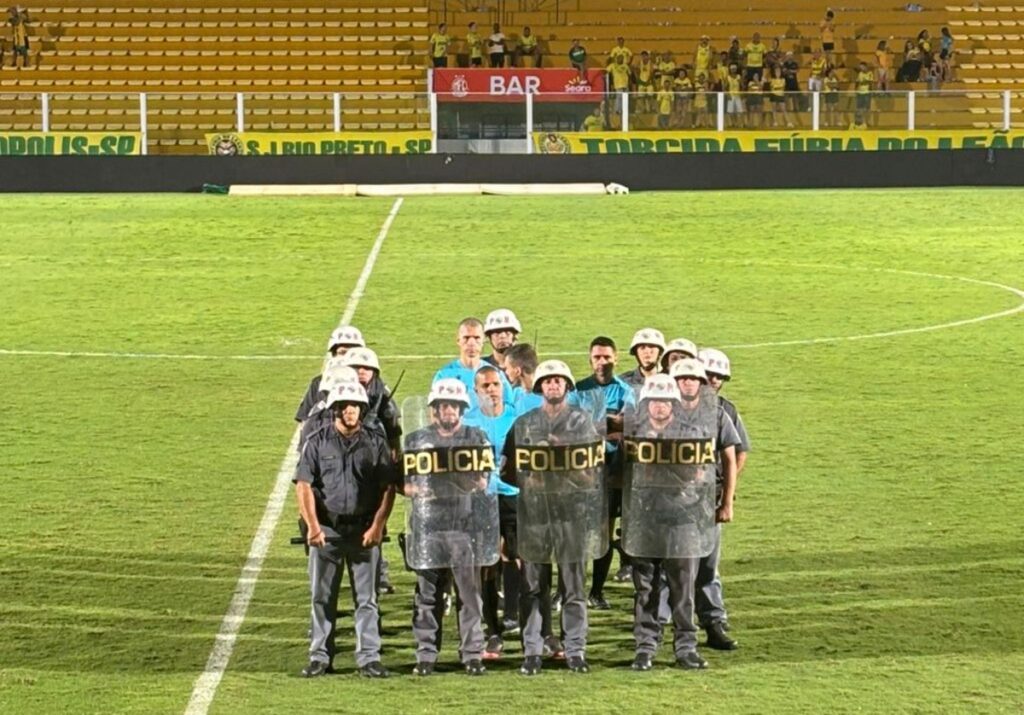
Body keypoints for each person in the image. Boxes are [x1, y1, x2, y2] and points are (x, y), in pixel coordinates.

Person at [626, 362, 739, 671]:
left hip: (683, 519)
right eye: (654, 400)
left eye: (665, 400)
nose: (659, 406)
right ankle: (645, 647)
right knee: (646, 589)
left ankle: (686, 647)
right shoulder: (633, 435)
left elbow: (696, 475)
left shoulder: (694, 433)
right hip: (645, 521)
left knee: (683, 588)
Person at [503, 360, 606, 675]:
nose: (553, 385)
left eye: (558, 381)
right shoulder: (523, 424)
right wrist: (532, 477)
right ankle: (532, 651)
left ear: (567, 386)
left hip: (571, 515)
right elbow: (507, 472)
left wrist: (563, 460)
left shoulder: (583, 423)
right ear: (539, 387)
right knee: (533, 586)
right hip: (534, 515)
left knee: (573, 587)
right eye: (548, 381)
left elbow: (594, 476)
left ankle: (575, 650)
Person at [294, 381, 396, 678]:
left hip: (364, 531)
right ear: (334, 409)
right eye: (343, 406)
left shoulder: (376, 442)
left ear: (362, 409)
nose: (349, 411)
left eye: (355, 406)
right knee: (322, 597)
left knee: (367, 599)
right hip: (328, 531)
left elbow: (388, 488)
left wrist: (377, 526)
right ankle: (320, 656)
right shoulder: (316, 441)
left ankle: (369, 658)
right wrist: (313, 527)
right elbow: (303, 486)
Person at [404, 378, 499, 676]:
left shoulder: (476, 437)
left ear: (462, 409)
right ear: (434, 409)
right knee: (427, 595)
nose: (448, 411)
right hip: (428, 526)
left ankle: (472, 654)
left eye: (453, 406)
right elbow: (403, 484)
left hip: (464, 527)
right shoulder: (416, 440)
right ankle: (426, 655)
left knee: (469, 595)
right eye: (443, 405)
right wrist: (419, 490)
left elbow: (483, 483)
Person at [694, 348, 751, 650]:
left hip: (709, 497)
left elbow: (737, 453)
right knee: (667, 567)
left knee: (707, 565)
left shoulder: (724, 411)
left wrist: (726, 492)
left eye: (719, 376)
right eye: (709, 374)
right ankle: (655, 629)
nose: (714, 380)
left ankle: (713, 622)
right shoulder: (668, 407)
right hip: (672, 500)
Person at [575, 337, 637, 610]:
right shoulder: (578, 389)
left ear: (616, 358)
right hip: (580, 472)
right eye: (597, 357)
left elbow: (629, 425)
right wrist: (610, 424)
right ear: (590, 359)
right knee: (577, 533)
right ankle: (570, 590)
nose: (602, 362)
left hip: (611, 471)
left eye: (607, 357)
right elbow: (569, 424)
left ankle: (596, 592)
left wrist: (592, 424)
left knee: (603, 532)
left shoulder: (625, 391)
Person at [464, 365, 520, 659]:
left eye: (496, 384)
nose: (492, 390)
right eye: (485, 386)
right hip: (480, 499)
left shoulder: (516, 417)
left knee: (515, 555)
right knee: (486, 560)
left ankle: (512, 614)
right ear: (476, 391)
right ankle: (492, 628)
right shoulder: (468, 422)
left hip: (513, 497)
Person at [294, 326, 365, 424]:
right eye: (343, 352)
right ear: (334, 354)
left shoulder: (371, 383)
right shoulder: (318, 382)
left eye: (353, 353)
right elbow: (305, 420)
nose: (347, 357)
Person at [725, 64, 745, 129]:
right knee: (730, 111)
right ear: (730, 70)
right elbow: (725, 87)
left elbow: (743, 86)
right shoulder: (728, 77)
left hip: (737, 95)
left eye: (734, 69)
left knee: (740, 111)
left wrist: (742, 93)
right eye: (732, 69)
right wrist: (727, 95)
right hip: (731, 95)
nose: (733, 70)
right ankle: (734, 123)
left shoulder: (739, 76)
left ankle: (740, 124)